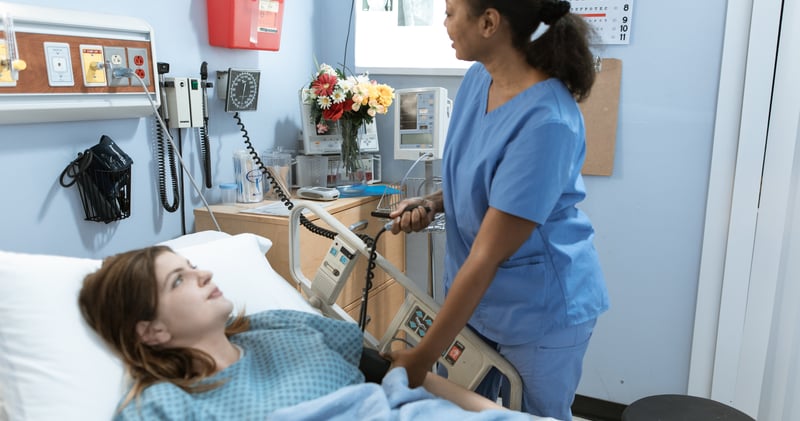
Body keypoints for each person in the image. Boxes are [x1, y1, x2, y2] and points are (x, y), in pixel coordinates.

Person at [384, 1, 609, 420]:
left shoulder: (547, 121)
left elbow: (488, 254)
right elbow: (484, 182)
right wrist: (431, 202)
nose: (444, 21)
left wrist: (420, 358)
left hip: (539, 312)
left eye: (451, 11)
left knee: (532, 417)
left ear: (489, 22)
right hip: (477, 304)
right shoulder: (476, 81)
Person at [77, 245, 535, 420]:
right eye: (179, 279)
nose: (203, 274)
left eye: (192, 265)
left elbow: (389, 370)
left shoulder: (279, 326)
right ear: (151, 331)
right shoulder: (166, 404)